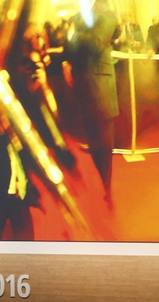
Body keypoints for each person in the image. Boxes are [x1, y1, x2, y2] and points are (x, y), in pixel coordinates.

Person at [64, 0, 119, 204]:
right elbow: (69, 49)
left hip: (99, 86)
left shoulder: (106, 12)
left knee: (104, 142)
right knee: (93, 140)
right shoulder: (79, 16)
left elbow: (96, 44)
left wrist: (74, 35)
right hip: (83, 86)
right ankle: (102, 186)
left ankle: (107, 188)